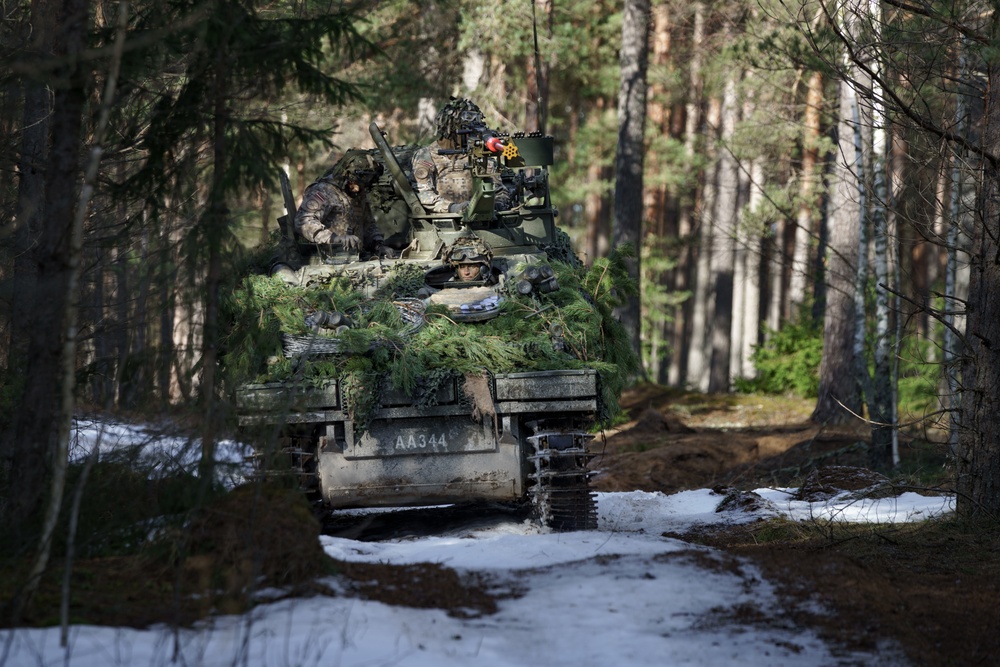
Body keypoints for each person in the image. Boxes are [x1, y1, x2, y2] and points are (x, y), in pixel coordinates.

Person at [412, 98, 511, 214]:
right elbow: (424, 195)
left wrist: (497, 204)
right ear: (451, 130)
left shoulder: (478, 153)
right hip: (443, 224)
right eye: (467, 131)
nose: (472, 136)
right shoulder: (427, 156)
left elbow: (499, 191)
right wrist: (453, 208)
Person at [294, 156, 394, 257]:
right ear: (346, 177)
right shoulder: (324, 190)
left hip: (356, 259)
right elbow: (303, 221)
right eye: (354, 183)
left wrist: (378, 246)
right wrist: (334, 238)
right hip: (326, 259)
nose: (356, 189)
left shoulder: (359, 193)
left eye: (362, 185)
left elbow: (369, 226)